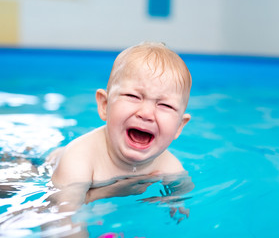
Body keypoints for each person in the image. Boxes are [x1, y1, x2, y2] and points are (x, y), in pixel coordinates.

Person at [46, 42, 193, 213]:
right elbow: (61, 218)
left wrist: (176, 202)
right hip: (42, 170)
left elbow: (183, 193)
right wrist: (107, 192)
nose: (146, 113)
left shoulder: (170, 167)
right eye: (133, 96)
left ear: (179, 127)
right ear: (104, 105)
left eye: (165, 106)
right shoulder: (78, 160)